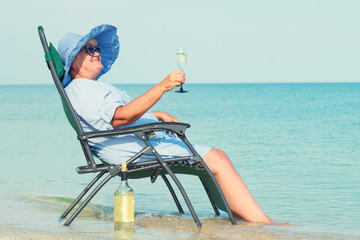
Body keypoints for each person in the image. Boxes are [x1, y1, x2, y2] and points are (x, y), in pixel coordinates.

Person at [58, 24, 275, 224]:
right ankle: (266, 225)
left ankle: (245, 221)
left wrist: (156, 114)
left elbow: (118, 116)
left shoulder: (89, 88)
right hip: (135, 151)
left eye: (97, 49)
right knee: (217, 158)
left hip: (137, 144)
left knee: (215, 159)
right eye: (88, 49)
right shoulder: (84, 89)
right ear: (74, 64)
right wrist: (164, 85)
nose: (96, 53)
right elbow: (120, 118)